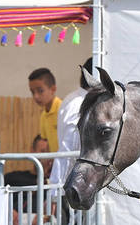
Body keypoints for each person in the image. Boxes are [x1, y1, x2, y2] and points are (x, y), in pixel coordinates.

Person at [50, 57, 93, 186]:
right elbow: (69, 150)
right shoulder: (80, 104)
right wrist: (56, 190)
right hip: (71, 185)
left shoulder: (73, 98)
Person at [28, 67, 61, 154]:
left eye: (40, 91)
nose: (36, 96)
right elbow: (46, 144)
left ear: (53, 89)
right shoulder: (43, 116)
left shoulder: (63, 111)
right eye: (32, 92)